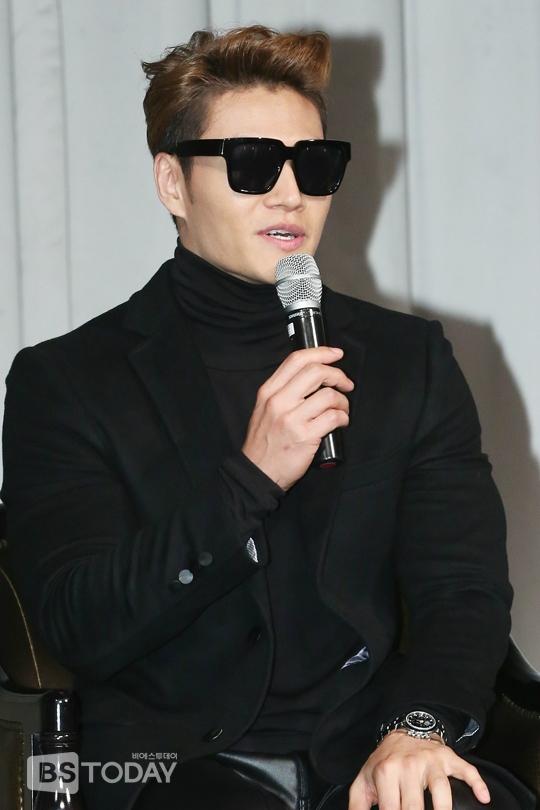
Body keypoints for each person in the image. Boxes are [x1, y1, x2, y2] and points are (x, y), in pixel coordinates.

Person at [0, 23, 536, 810]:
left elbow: (462, 590)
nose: (290, 194)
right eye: (252, 164)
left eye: (314, 165)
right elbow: (80, 624)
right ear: (173, 183)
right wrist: (249, 481)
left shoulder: (406, 360)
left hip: (367, 754)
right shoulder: (69, 381)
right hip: (173, 773)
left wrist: (418, 727)